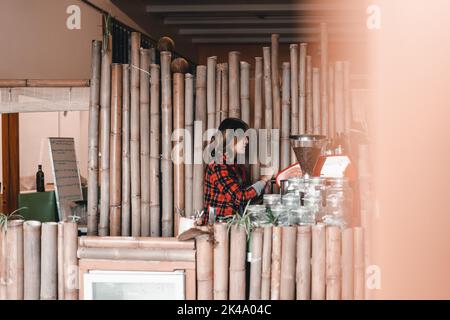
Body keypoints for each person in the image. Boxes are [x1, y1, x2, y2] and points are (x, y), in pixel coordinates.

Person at [203, 118, 274, 223]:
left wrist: (264, 188)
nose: (247, 141)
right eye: (244, 137)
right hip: (218, 230)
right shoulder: (218, 165)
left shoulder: (238, 167)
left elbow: (244, 201)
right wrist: (263, 180)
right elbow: (239, 197)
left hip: (236, 226)